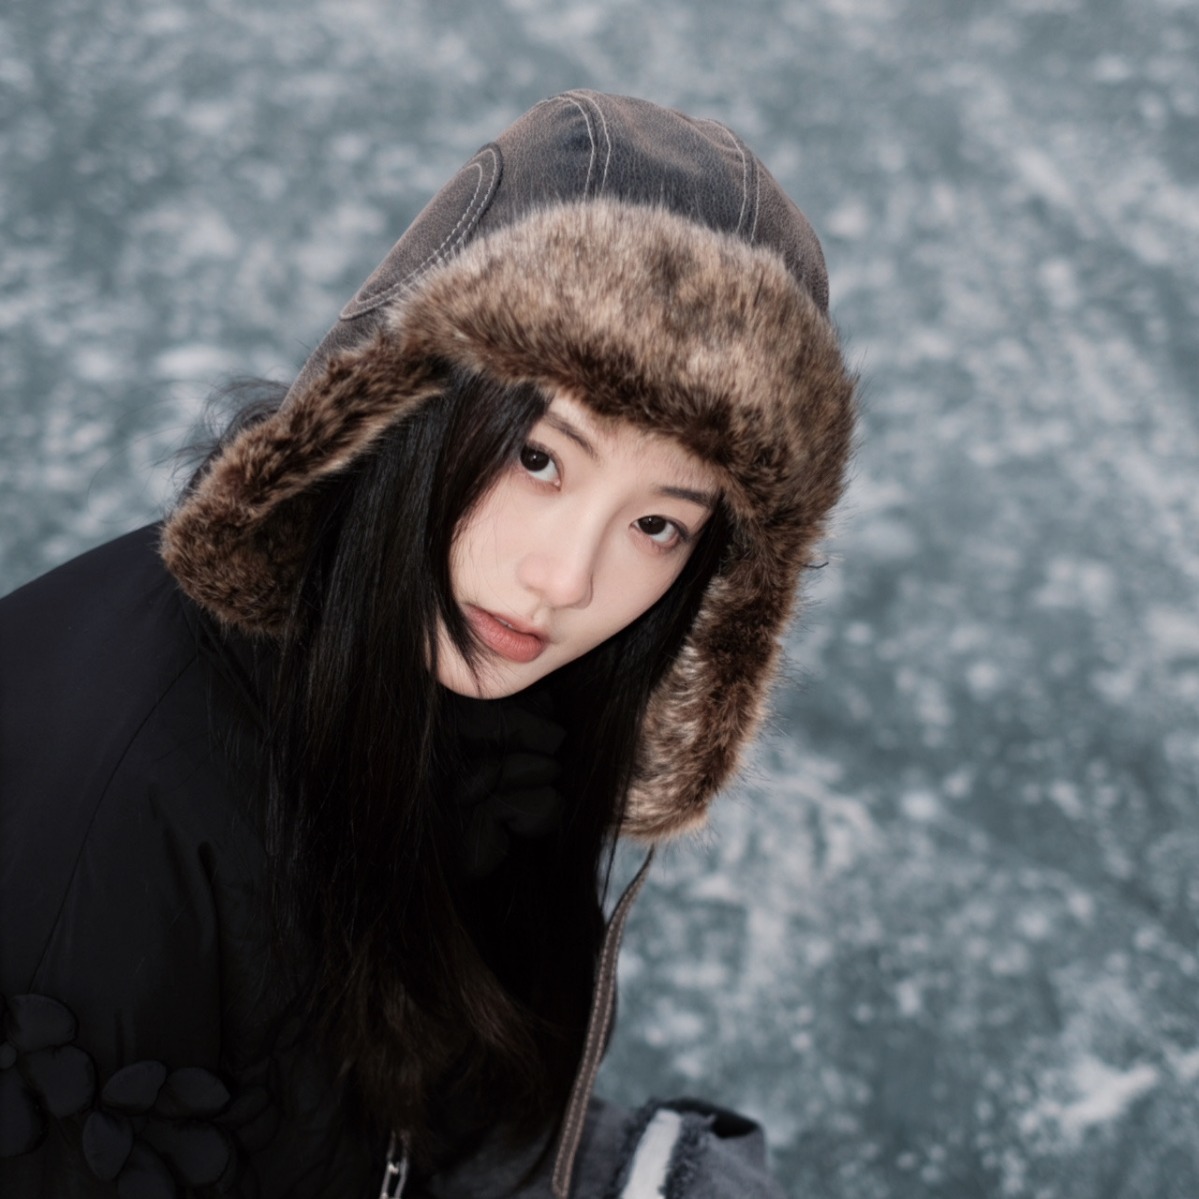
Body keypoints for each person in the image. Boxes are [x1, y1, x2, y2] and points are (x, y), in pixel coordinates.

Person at [0, 90, 855, 1197]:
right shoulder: (111, 806)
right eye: (539, 459)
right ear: (407, 402)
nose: (565, 580)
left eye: (658, 524)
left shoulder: (495, 674)